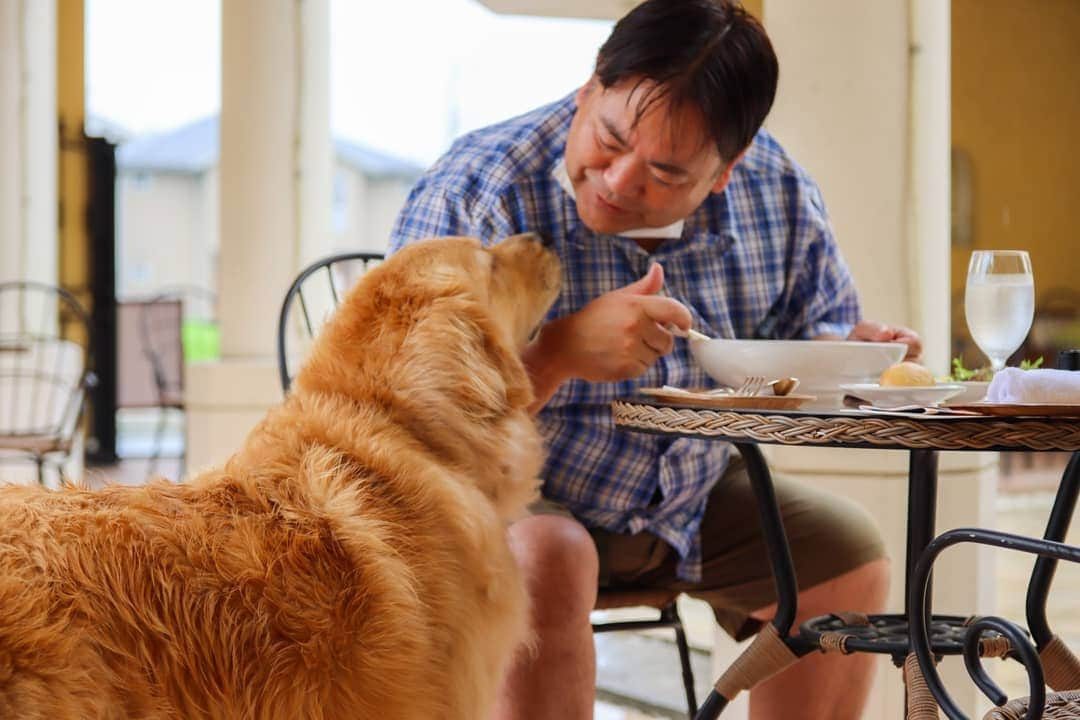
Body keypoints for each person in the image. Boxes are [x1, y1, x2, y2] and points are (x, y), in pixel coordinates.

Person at [388, 1, 921, 718]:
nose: (618, 181)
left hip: (689, 495)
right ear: (587, 92)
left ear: (726, 170)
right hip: (501, 499)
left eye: (666, 173)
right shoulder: (480, 189)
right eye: (608, 140)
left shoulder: (778, 194)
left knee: (846, 561)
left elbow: (811, 328)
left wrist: (847, 354)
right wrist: (558, 353)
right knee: (550, 555)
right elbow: (408, 431)